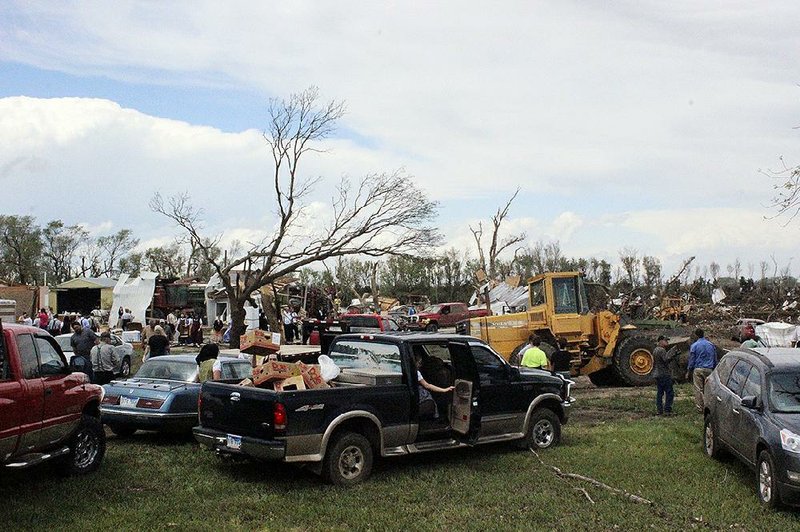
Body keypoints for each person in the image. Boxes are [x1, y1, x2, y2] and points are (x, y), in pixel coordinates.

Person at [685, 328, 717, 411]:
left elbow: (692, 360)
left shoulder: (694, 345)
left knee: (698, 389)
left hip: (698, 369)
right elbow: (715, 358)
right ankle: (709, 406)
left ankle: (700, 407)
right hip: (709, 369)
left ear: (696, 335)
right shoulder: (711, 345)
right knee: (709, 388)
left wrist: (688, 371)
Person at [414, 353, 454, 418]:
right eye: (419, 363)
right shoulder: (417, 373)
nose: (420, 365)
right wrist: (444, 390)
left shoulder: (412, 371)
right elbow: (427, 385)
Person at [653, 335, 678, 415]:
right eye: (665, 340)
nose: (667, 342)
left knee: (660, 393)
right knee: (669, 392)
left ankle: (659, 410)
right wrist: (673, 355)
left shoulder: (655, 350)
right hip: (664, 374)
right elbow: (666, 360)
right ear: (660, 341)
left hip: (657, 374)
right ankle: (667, 409)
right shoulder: (661, 350)